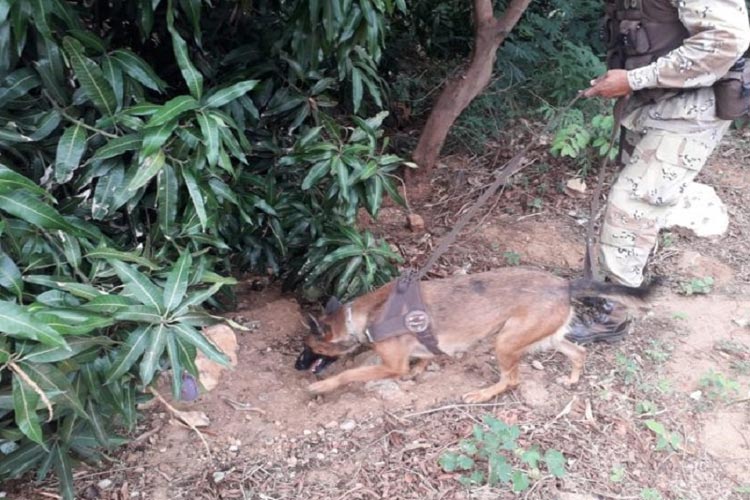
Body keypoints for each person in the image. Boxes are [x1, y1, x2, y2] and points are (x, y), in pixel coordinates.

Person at [567, 0, 750, 344]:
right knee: (637, 206)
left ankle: (616, 314)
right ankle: (620, 284)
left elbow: (727, 40)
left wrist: (635, 78)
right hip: (653, 103)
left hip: (693, 110)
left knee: (633, 204)